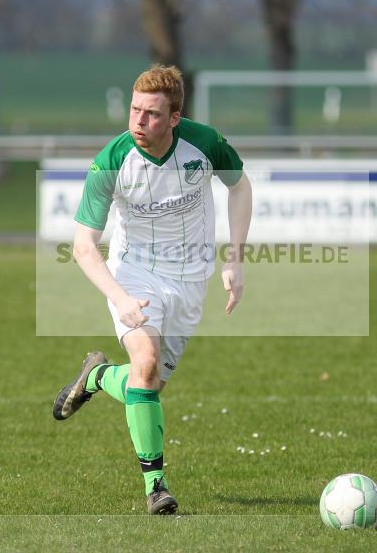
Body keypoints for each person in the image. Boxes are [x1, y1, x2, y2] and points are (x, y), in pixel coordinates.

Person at [52, 64, 252, 515]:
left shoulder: (205, 143)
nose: (140, 122)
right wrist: (120, 298)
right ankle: (156, 486)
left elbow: (240, 188)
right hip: (134, 275)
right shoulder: (111, 160)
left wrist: (235, 258)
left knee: (151, 385)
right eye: (135, 110)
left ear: (176, 117)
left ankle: (99, 376)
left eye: (153, 114)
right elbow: (84, 246)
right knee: (143, 367)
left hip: (190, 280)